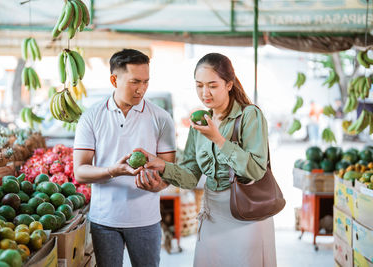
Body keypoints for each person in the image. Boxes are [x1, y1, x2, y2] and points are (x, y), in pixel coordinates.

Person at [135, 53, 277, 267]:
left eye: (212, 85)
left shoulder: (249, 116)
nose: (205, 93)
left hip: (247, 213)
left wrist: (218, 139)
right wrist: (162, 164)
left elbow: (256, 170)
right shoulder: (199, 121)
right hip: (213, 214)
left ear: (229, 84)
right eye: (199, 85)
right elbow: (192, 177)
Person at [73, 48, 176, 267]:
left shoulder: (162, 118)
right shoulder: (91, 117)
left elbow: (170, 171)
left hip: (146, 220)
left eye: (146, 82)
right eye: (134, 82)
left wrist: (159, 185)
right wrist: (113, 170)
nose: (141, 89)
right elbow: (80, 171)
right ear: (114, 79)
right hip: (104, 220)